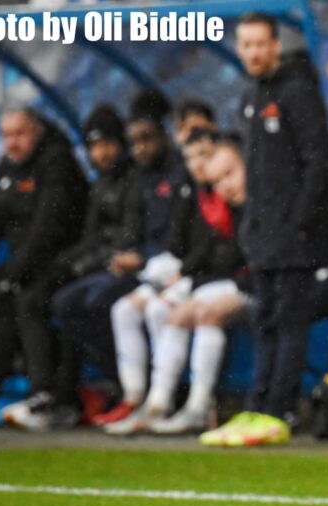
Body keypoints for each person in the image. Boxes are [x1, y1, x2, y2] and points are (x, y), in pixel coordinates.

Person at [204, 12, 328, 445]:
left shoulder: (298, 92)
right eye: (246, 45)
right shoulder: (250, 96)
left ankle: (280, 410)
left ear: (276, 45)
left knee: (288, 320)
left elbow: (319, 163)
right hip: (262, 236)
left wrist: (299, 221)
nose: (254, 52)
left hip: (295, 238)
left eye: (261, 44)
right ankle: (256, 407)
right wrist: (253, 228)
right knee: (264, 320)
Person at [0, 106, 87, 428]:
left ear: (36, 131)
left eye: (19, 134)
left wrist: (11, 277)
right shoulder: (8, 169)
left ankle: (23, 398)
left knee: (14, 305)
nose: (13, 142)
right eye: (7, 135)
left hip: (59, 265)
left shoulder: (57, 163)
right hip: (20, 268)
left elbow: (47, 231)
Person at [2, 104, 136, 430]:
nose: (101, 153)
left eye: (107, 144)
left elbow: (128, 237)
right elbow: (91, 238)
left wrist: (78, 266)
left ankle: (120, 391)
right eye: (94, 145)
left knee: (75, 303)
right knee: (47, 299)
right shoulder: (100, 184)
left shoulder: (132, 181)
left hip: (124, 270)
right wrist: (69, 266)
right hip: (96, 268)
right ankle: (54, 396)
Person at [107, 135, 251, 436]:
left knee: (174, 311)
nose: (199, 164)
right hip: (202, 279)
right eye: (190, 157)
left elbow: (229, 255)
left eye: (205, 155)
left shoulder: (237, 200)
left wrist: (186, 276)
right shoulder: (195, 194)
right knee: (134, 310)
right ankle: (151, 402)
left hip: (238, 284)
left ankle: (194, 405)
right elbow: (183, 242)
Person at [98, 89, 196, 426]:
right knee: (122, 309)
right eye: (134, 142)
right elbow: (134, 226)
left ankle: (161, 400)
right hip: (154, 268)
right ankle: (134, 396)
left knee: (158, 310)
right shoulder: (143, 177)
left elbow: (186, 236)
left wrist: (145, 261)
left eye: (147, 139)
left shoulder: (184, 172)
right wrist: (130, 255)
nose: (140, 148)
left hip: (181, 270)